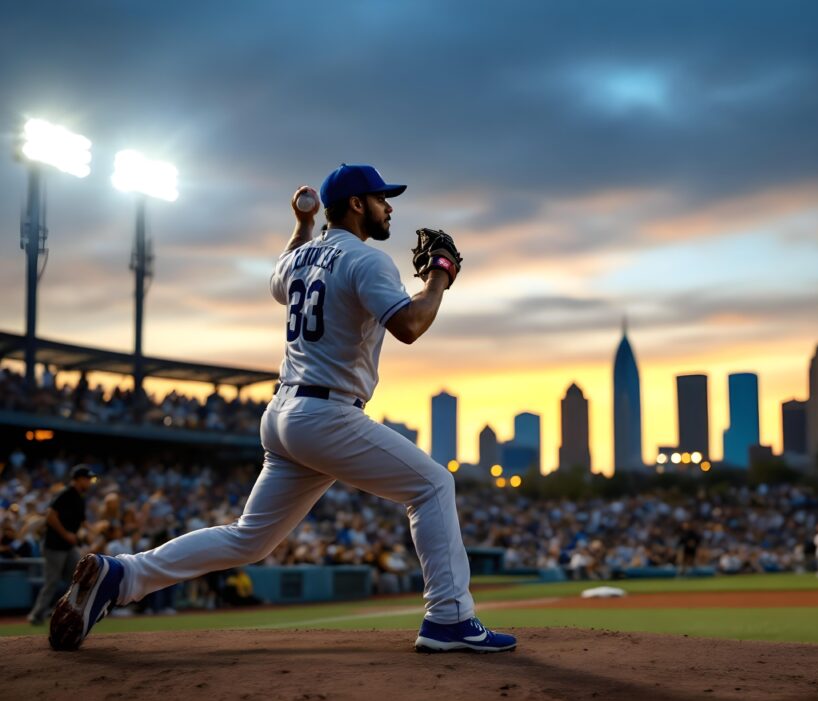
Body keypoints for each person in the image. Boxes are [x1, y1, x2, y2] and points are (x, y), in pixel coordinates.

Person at [49, 163, 516, 654]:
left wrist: (303, 223)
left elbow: (286, 266)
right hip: (326, 414)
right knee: (433, 485)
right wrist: (440, 276)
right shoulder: (369, 261)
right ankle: (449, 618)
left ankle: (121, 575)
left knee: (249, 539)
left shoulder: (300, 259)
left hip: (283, 413)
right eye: (381, 198)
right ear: (357, 204)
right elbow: (410, 325)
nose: (389, 206)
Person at [27, 465, 95, 625]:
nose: (89, 482)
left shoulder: (80, 497)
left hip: (67, 546)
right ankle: (36, 615)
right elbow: (50, 515)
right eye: (87, 479)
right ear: (78, 479)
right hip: (54, 545)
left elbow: (83, 521)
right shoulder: (66, 494)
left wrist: (93, 532)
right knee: (52, 581)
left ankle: (65, 611)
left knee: (78, 577)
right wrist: (66, 534)